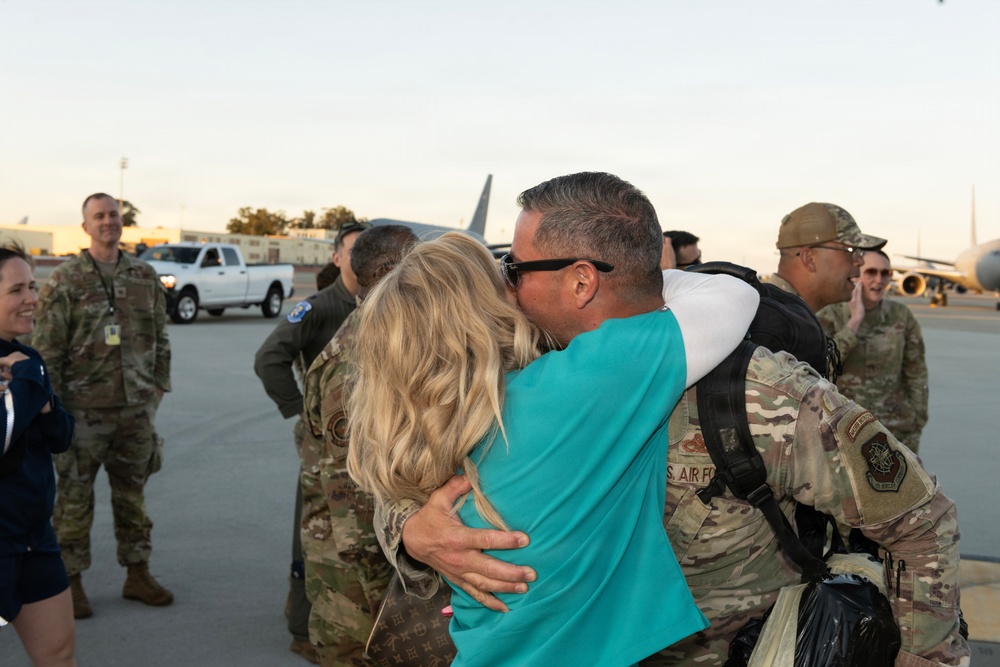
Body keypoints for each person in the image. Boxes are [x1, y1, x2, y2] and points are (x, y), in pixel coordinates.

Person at [375, 189, 969, 665]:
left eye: (516, 266)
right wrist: (414, 532)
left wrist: (926, 657)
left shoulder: (756, 391)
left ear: (580, 280)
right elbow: (401, 478)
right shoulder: (511, 369)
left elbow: (921, 521)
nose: (508, 282)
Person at [350, 173, 760, 666]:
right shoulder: (569, 387)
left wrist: (409, 526)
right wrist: (636, 275)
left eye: (515, 270)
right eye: (506, 274)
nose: (515, 284)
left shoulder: (411, 424)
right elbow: (731, 297)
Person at [32, 193, 173, 620]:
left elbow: (161, 338)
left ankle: (138, 573)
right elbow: (47, 349)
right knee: (74, 501)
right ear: (86, 226)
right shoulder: (66, 280)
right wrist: (52, 408)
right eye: (99, 216)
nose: (108, 222)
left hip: (135, 412)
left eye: (113, 215)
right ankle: (70, 582)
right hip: (81, 414)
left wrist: (157, 388)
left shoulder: (144, 275)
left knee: (133, 498)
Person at [299, 224, 416, 665]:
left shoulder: (390, 336)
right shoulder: (356, 359)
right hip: (354, 589)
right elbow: (351, 494)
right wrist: (385, 598)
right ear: (390, 271)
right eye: (417, 260)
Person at [253, 221, 368, 663]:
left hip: (366, 443)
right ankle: (302, 625)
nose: (360, 258)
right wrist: (302, 411)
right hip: (325, 446)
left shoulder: (382, 306)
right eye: (352, 250)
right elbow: (269, 359)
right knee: (315, 530)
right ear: (337, 257)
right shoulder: (319, 307)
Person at [0, 244, 77, 667]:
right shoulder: (27, 367)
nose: (32, 298)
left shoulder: (26, 358)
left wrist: (39, 396)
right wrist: (30, 385)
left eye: (32, 286)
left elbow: (62, 435)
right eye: (18, 290)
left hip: (34, 539)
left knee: (59, 654)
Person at [817, 249, 929, 454]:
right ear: (856, 274)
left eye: (885, 273)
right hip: (844, 429)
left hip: (895, 428)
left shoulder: (901, 316)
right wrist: (854, 322)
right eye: (871, 272)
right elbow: (821, 368)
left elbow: (916, 371)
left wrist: (918, 417)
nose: (879, 279)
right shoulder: (830, 315)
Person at [771, 202, 886, 313]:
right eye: (851, 250)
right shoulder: (767, 321)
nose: (860, 261)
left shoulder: (790, 316)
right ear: (809, 259)